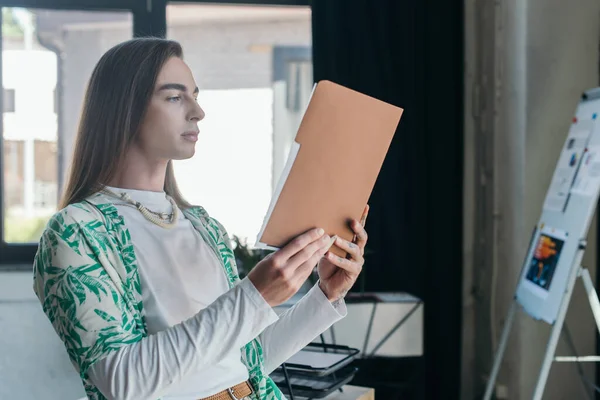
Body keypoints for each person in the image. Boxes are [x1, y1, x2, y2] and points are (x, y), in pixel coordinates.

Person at [32, 37, 369, 400]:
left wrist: (323, 297)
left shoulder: (202, 225)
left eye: (195, 95)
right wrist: (254, 296)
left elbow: (245, 364)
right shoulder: (75, 232)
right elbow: (122, 382)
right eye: (175, 97)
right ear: (123, 108)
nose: (197, 111)